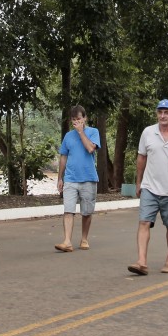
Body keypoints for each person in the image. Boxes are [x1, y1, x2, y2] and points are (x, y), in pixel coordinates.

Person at [128, 99, 168, 276]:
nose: (163, 115)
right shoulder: (148, 133)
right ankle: (141, 261)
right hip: (150, 187)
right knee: (143, 222)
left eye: (166, 112)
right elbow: (141, 158)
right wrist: (139, 182)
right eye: (160, 112)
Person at [55, 105, 100, 253]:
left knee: (86, 212)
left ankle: (84, 238)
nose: (76, 122)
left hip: (88, 178)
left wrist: (81, 132)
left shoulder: (93, 132)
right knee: (68, 210)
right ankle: (67, 241)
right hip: (70, 178)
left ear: (85, 118)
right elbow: (63, 157)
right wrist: (60, 178)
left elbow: (90, 148)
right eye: (74, 120)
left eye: (79, 119)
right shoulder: (68, 136)